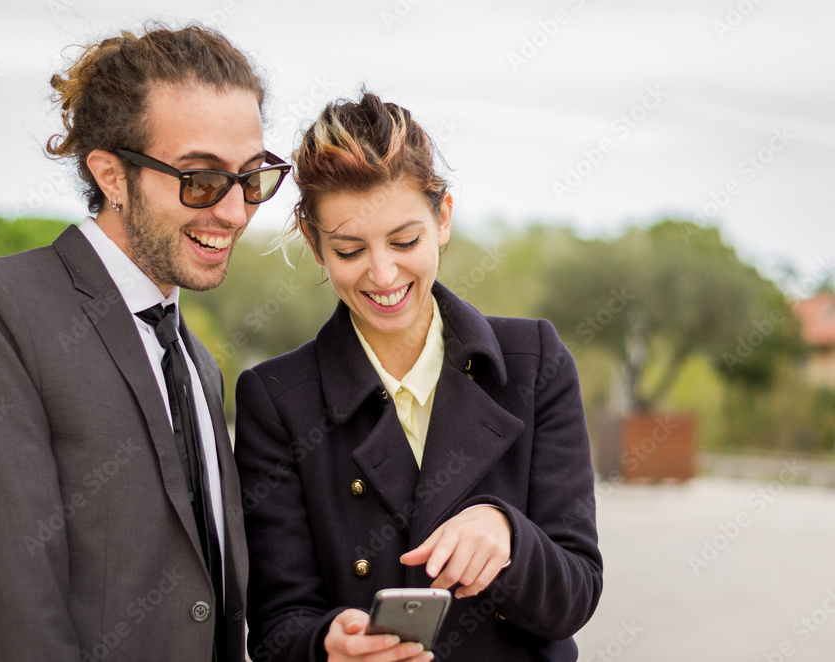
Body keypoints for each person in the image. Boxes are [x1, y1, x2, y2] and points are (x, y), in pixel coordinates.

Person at [0, 24, 290, 661]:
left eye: (252, 178)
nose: (233, 212)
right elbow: (9, 613)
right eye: (200, 179)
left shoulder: (197, 364)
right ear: (111, 175)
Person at [234, 92, 602, 661]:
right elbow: (277, 625)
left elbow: (575, 595)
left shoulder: (532, 362)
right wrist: (326, 645)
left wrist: (508, 535)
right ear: (314, 243)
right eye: (350, 249)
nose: (383, 274)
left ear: (443, 219)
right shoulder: (278, 399)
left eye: (405, 241)